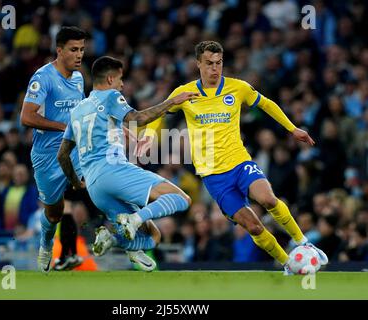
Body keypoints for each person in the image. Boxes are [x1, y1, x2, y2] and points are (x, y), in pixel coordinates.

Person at [138, 40, 328, 274]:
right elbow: (160, 111)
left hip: (239, 162)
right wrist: (148, 136)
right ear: (198, 64)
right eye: (209, 64)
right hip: (213, 177)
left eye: (218, 63)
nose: (214, 69)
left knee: (268, 199)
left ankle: (303, 242)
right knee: (254, 227)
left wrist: (292, 128)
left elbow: (266, 104)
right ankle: (288, 263)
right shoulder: (184, 93)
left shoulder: (238, 88)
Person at [57, 56, 197, 271]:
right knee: (181, 198)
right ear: (111, 78)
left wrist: (76, 183)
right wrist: (172, 101)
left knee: (153, 236)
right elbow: (138, 118)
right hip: (113, 170)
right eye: (120, 79)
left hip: (94, 186)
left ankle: (112, 238)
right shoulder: (111, 96)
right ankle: (133, 219)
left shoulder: (78, 110)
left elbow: (63, 155)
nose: (122, 84)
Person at [20, 26, 89, 272]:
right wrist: (64, 126)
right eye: (73, 49)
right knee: (54, 213)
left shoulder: (79, 78)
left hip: (73, 152)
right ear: (59, 51)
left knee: (97, 185)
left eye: (81, 49)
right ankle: (47, 244)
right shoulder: (43, 78)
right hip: (46, 157)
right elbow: (26, 117)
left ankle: (124, 239)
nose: (79, 54)